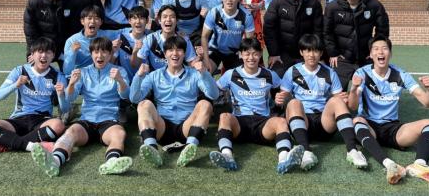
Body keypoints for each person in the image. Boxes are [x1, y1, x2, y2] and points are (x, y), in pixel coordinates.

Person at [348, 35, 429, 184]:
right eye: (376, 49)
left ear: (390, 54)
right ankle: (388, 164)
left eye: (385, 48)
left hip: (393, 128)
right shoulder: (362, 73)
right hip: (369, 126)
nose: (381, 52)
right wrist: (354, 89)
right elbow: (352, 106)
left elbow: (428, 103)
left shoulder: (400, 74)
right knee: (357, 120)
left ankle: (419, 164)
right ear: (370, 54)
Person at [31, 37, 133, 177]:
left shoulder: (118, 71)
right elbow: (71, 98)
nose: (100, 55)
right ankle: (54, 161)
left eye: (104, 52)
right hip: (87, 120)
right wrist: (72, 84)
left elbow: (125, 95)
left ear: (110, 54)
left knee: (119, 134)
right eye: (96, 52)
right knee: (70, 132)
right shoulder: (82, 71)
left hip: (109, 120)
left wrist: (120, 80)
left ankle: (112, 162)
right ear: (91, 54)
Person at [208, 38, 305, 174]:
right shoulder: (231, 74)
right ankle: (227, 156)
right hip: (239, 123)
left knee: (281, 121)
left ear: (260, 54)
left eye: (254, 53)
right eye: (247, 53)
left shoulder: (270, 75)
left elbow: (285, 93)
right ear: (241, 55)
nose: (251, 57)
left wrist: (282, 98)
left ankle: (284, 160)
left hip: (262, 123)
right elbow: (213, 92)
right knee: (224, 116)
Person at [274, 34, 367, 170]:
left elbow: (339, 100)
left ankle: (352, 150)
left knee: (336, 101)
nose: (312, 55)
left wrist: (346, 97)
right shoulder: (292, 71)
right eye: (308, 50)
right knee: (294, 103)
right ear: (301, 52)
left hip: (324, 123)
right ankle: (305, 151)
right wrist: (279, 100)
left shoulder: (330, 73)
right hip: (302, 122)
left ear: (321, 53)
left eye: (316, 51)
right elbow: (283, 98)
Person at [130, 35, 219, 167]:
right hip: (162, 128)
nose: (175, 53)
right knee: (144, 104)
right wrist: (139, 76)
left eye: (179, 50)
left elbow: (214, 95)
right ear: (165, 54)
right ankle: (152, 148)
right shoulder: (155, 75)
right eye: (170, 50)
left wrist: (205, 73)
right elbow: (134, 98)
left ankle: (190, 146)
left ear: (184, 54)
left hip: (187, 127)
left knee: (205, 104)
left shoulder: (194, 73)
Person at [0, 37, 68, 155]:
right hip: (18, 118)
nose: (44, 56)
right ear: (32, 54)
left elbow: (65, 109)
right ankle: (34, 145)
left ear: (53, 56)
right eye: (40, 51)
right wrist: (16, 85)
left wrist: (61, 95)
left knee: (58, 124)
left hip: (41, 120)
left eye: (48, 52)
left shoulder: (58, 76)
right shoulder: (19, 71)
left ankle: (7, 143)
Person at [323, 0, 389, 90]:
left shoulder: (374, 6)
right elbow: (327, 32)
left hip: (365, 57)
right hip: (342, 59)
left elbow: (382, 30)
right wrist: (333, 53)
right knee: (337, 95)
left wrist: (373, 50)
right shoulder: (332, 7)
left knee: (372, 95)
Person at [263, 0, 323, 77]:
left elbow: (318, 30)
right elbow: (269, 29)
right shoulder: (277, 3)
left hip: (306, 52)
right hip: (282, 53)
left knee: (312, 80)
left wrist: (315, 54)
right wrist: (274, 53)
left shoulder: (314, 4)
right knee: (275, 77)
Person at [23, 0, 82, 64]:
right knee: (35, 73)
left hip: (65, 46)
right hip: (41, 46)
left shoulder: (74, 2)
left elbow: (75, 29)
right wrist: (33, 51)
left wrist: (69, 50)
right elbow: (30, 30)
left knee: (69, 74)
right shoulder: (34, 2)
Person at [201, 0, 255, 73]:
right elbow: (204, 36)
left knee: (240, 77)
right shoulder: (214, 12)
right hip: (215, 50)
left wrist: (243, 54)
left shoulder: (246, 16)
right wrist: (206, 60)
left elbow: (249, 41)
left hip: (235, 52)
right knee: (204, 72)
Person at [133, 5, 199, 71]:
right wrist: (135, 52)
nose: (168, 19)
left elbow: (191, 63)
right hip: (155, 79)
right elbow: (135, 64)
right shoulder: (150, 39)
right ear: (159, 20)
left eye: (172, 17)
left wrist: (199, 59)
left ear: (177, 20)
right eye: (165, 17)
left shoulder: (184, 39)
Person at [62, 5, 120, 78]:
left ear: (101, 22)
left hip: (103, 75)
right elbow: (67, 71)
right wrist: (72, 53)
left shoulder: (107, 35)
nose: (92, 21)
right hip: (81, 77)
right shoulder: (72, 41)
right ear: (82, 21)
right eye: (89, 18)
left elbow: (125, 31)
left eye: (96, 18)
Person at [113, 5, 150, 83]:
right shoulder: (121, 38)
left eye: (142, 18)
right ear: (129, 20)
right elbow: (112, 62)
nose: (138, 21)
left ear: (147, 20)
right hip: (124, 83)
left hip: (144, 85)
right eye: (134, 18)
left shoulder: (150, 39)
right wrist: (112, 52)